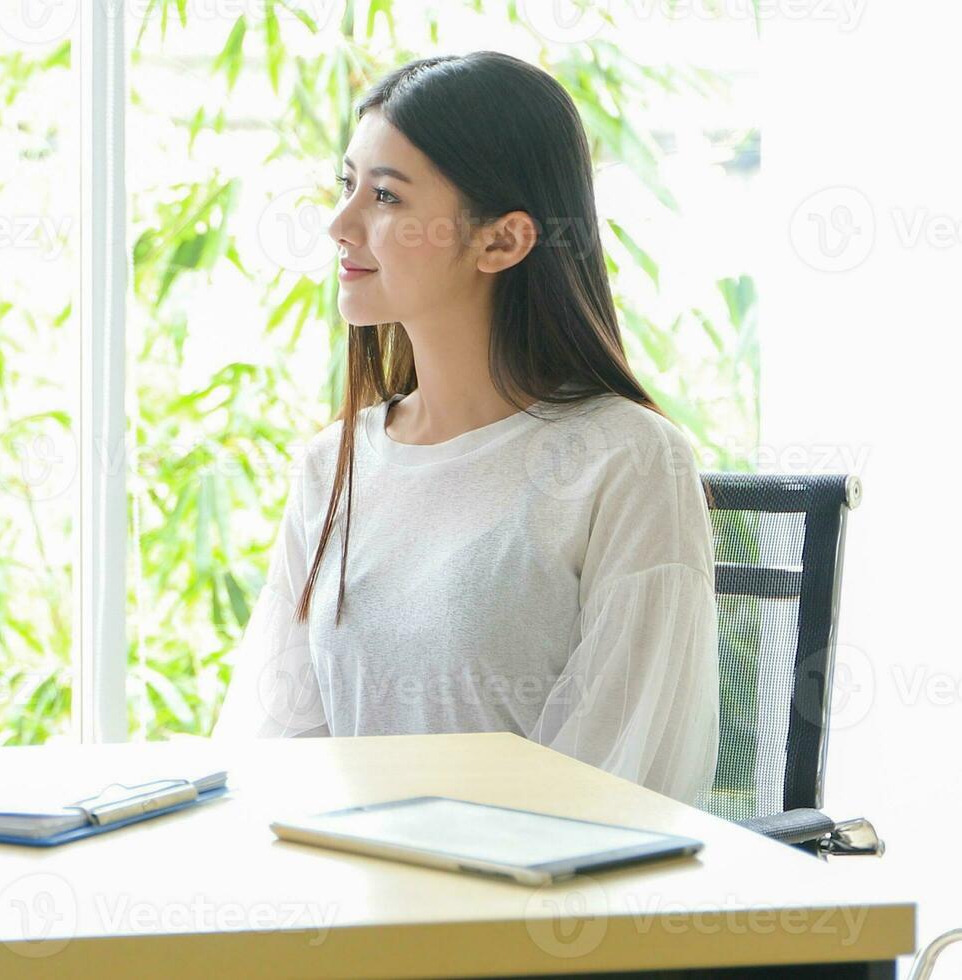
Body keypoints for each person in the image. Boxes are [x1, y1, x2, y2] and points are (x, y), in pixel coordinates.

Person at [213, 52, 720, 803]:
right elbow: (280, 747)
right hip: (350, 900)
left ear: (502, 241)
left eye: (384, 196)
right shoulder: (334, 462)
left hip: (530, 911)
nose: (338, 223)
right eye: (346, 185)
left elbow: (618, 782)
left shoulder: (629, 462)